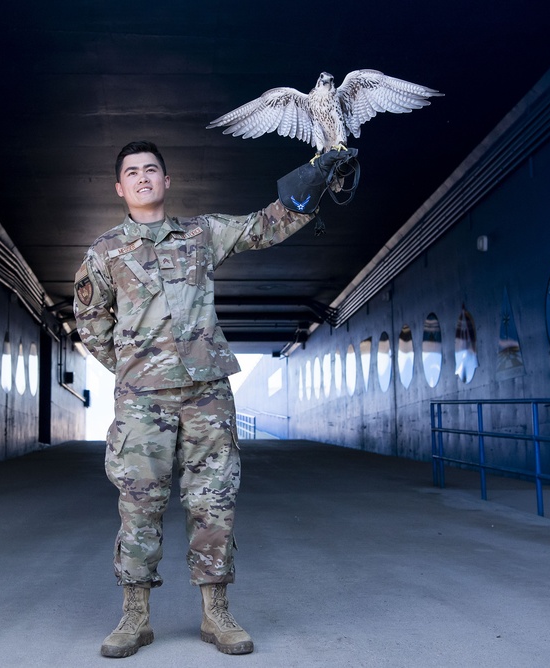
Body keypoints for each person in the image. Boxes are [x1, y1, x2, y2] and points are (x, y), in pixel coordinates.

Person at [73, 140, 354, 658]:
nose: (142, 178)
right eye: (131, 172)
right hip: (143, 404)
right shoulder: (104, 251)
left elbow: (264, 225)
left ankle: (216, 614)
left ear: (166, 181)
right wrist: (132, 369)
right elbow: (90, 323)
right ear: (119, 188)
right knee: (139, 505)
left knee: (214, 504)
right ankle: (134, 617)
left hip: (207, 395)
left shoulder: (203, 233)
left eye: (151, 170)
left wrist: (310, 183)